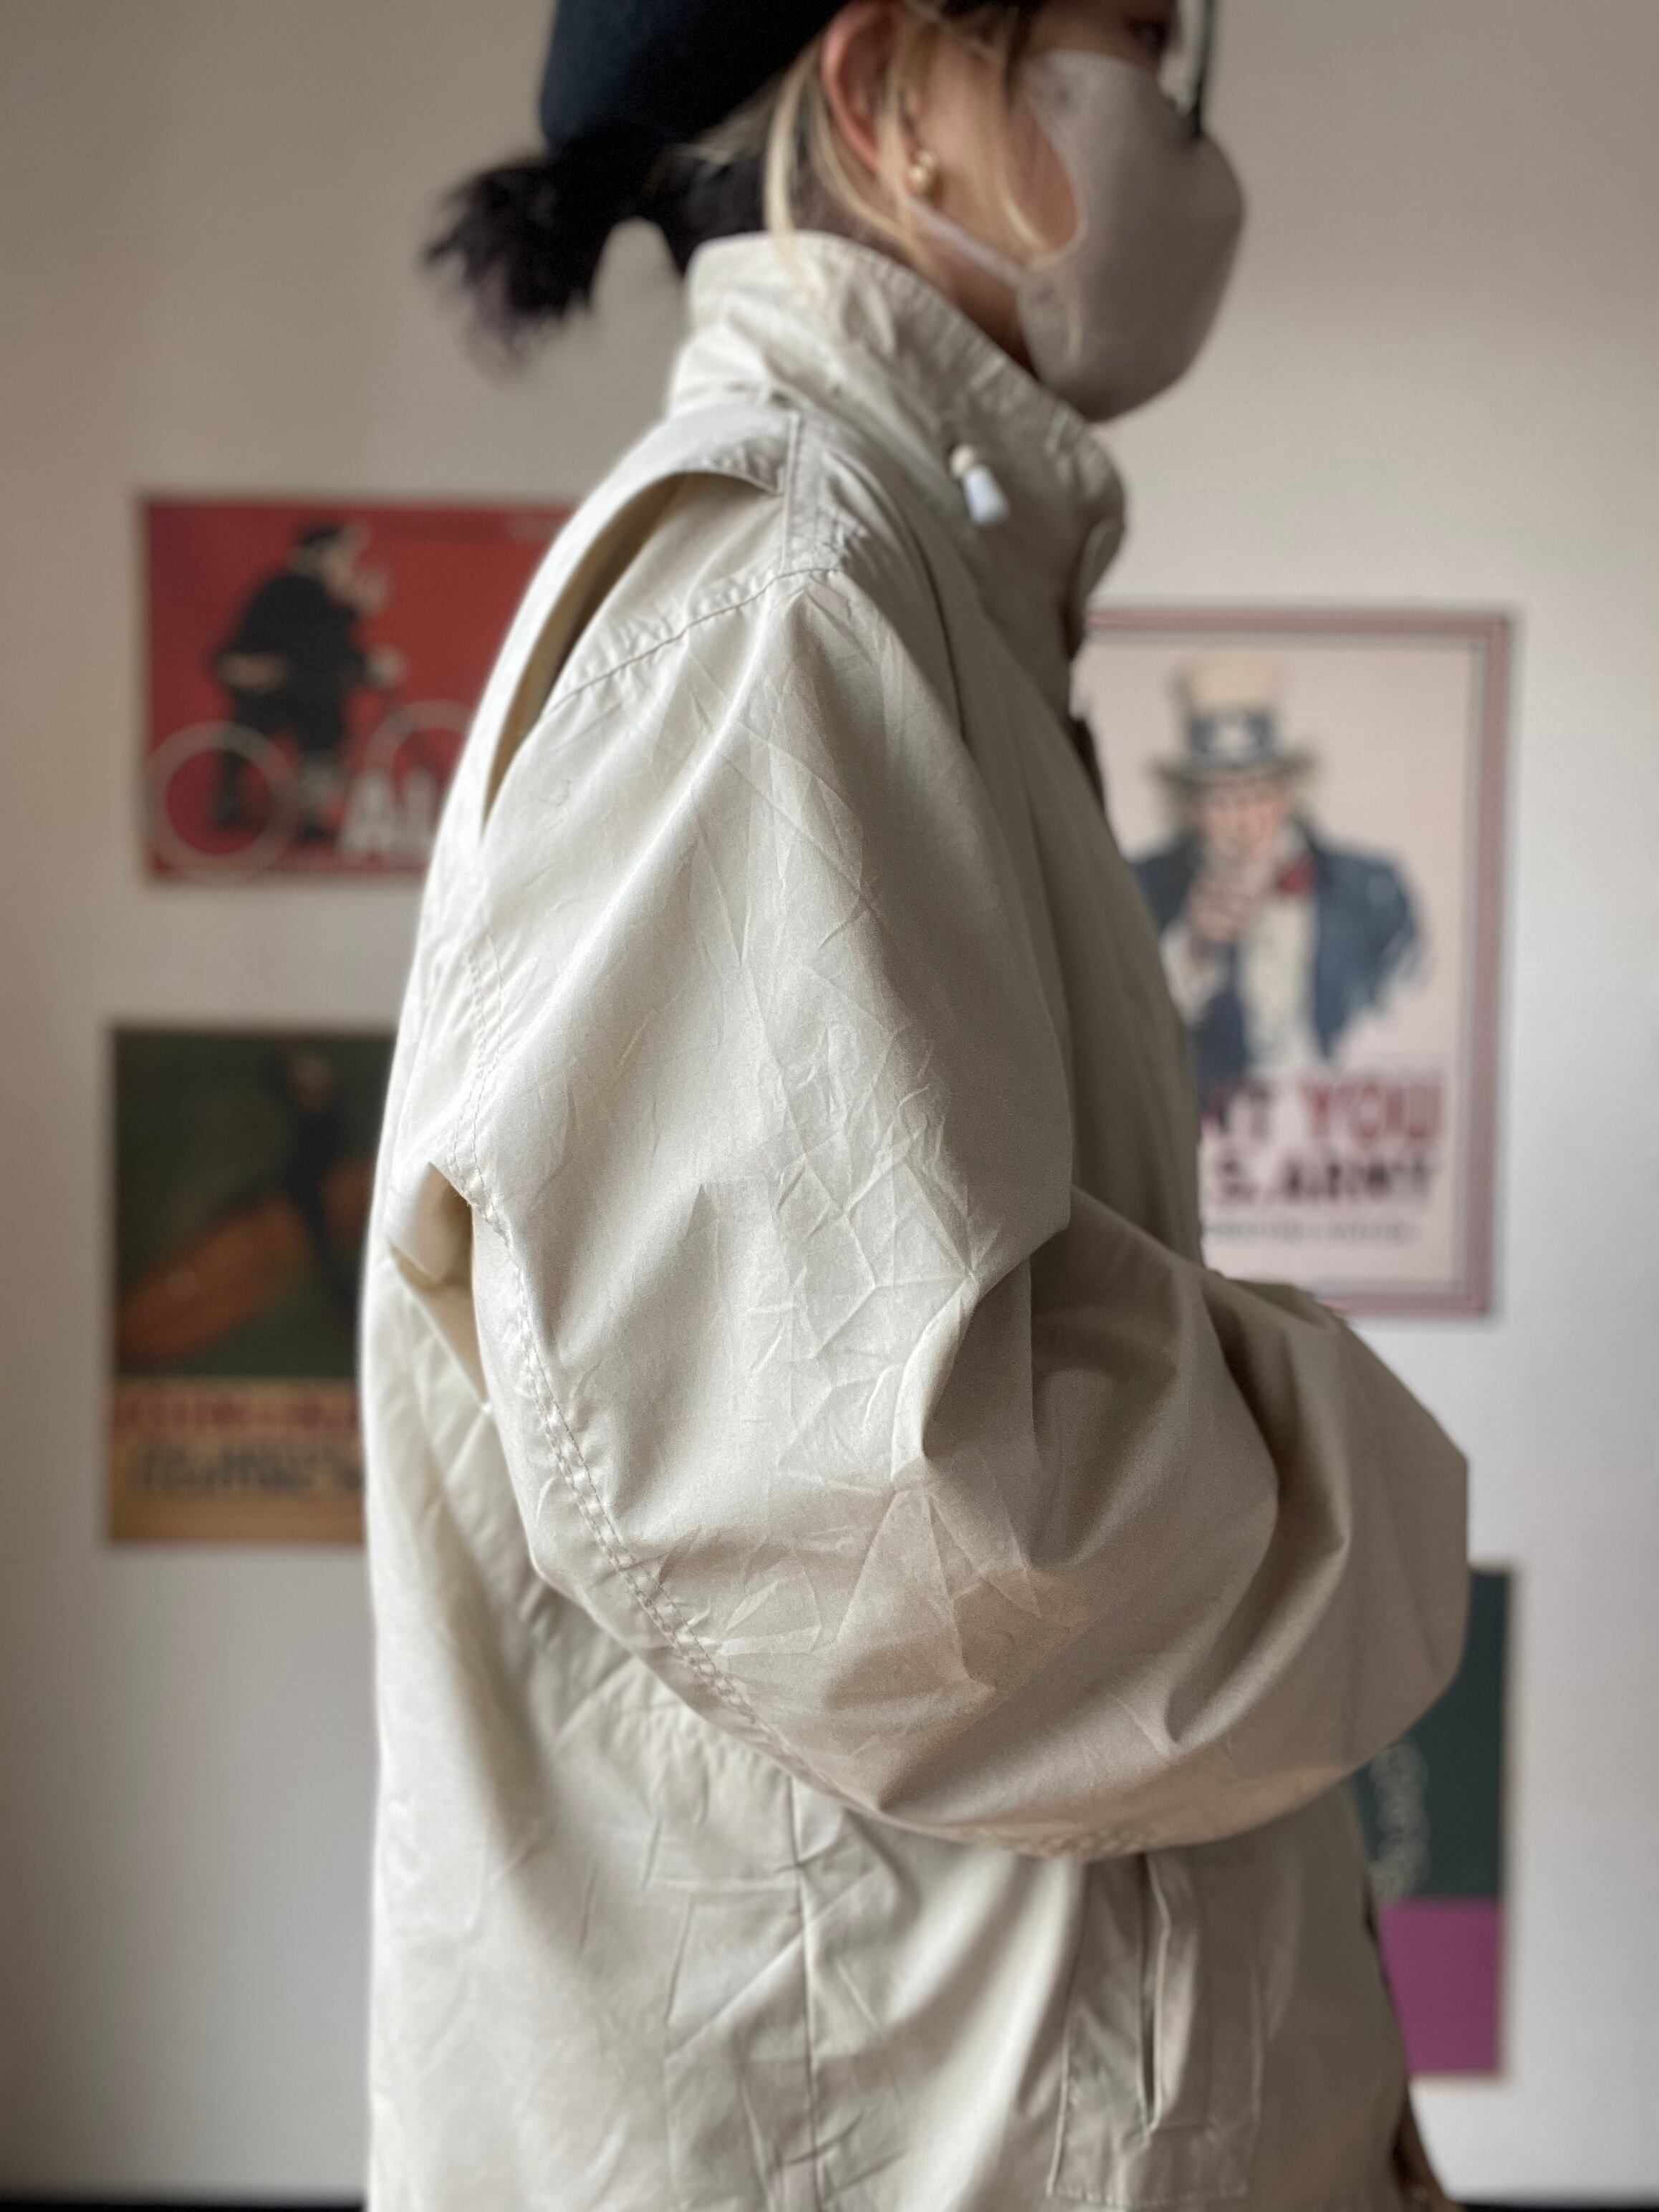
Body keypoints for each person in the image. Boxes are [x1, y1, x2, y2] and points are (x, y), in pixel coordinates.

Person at [363, 4, 1468, 2207]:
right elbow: (928, 1526)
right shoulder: (776, 601)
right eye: (1129, 36)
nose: (1176, 119)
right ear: (886, 105)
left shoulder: (891, 585)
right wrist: (1384, 1494)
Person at [1132, 658, 1422, 1110]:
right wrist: (1194, 945)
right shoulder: (1144, 887)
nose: (1243, 822)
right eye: (1222, 801)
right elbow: (1129, 1036)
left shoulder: (1371, 890)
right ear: (1190, 809)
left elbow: (1406, 1017)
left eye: (1257, 795)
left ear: (1288, 794)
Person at [211, 519, 403, 837]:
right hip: (267, 684)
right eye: (343, 557)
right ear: (320, 556)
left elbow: (322, 641)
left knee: (317, 714)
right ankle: (308, 813)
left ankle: (283, 802)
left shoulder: (299, 589)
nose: (349, 566)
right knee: (323, 724)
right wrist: (366, 661)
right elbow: (318, 645)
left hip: (275, 681)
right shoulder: (300, 589)